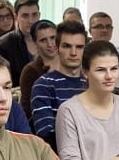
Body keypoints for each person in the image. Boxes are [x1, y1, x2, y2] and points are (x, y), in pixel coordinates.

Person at [30, 20, 88, 149]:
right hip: (60, 158)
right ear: (57, 48)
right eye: (67, 46)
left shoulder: (92, 84)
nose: (73, 53)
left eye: (79, 47)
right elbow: (46, 136)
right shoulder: (43, 85)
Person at [18, 19, 59, 122]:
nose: (50, 44)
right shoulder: (31, 71)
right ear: (35, 43)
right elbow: (28, 110)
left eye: (53, 38)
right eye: (43, 40)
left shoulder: (72, 64)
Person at [0, 0, 42, 84]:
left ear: (39, 15)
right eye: (25, 16)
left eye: (34, 15)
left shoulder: (51, 40)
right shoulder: (4, 44)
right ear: (16, 17)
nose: (31, 20)